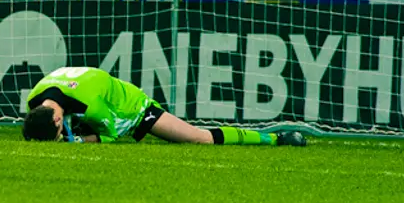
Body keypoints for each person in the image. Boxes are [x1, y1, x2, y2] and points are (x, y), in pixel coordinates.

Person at [23, 67, 306, 146]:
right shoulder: (33, 100)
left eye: (59, 134)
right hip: (93, 99)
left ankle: (274, 138)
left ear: (58, 121)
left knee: (198, 138)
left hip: (131, 108)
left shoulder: (92, 105)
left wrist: (79, 141)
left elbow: (111, 134)